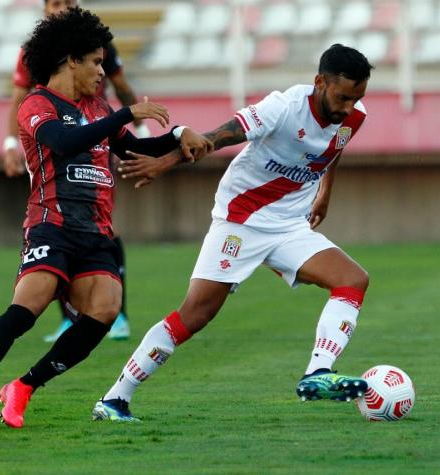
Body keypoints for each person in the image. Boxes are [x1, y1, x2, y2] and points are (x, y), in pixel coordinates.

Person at [0, 7, 212, 430]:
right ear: (71, 60)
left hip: (96, 231)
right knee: (29, 305)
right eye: (96, 61)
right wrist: (127, 114)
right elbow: (63, 142)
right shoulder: (37, 103)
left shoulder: (99, 108)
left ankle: (24, 387)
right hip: (51, 223)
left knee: (105, 309)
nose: (102, 71)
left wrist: (180, 135)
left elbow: (137, 149)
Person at [92, 44, 374, 422]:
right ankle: (114, 399)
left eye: (356, 98)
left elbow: (333, 149)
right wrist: (166, 161)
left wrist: (324, 191)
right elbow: (222, 135)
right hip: (240, 221)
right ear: (319, 82)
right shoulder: (284, 107)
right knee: (195, 314)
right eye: (342, 97)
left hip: (290, 225)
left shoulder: (354, 115)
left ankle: (317, 373)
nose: (347, 107)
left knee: (353, 280)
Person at [3, 0, 146, 342]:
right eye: (56, 2)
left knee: (99, 221)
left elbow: (122, 85)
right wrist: (10, 142)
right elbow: (19, 95)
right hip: (54, 132)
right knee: (53, 219)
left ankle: (117, 313)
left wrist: (138, 128)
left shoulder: (96, 43)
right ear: (45, 8)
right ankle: (69, 311)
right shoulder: (33, 52)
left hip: (97, 131)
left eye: (68, 2)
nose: (62, 7)